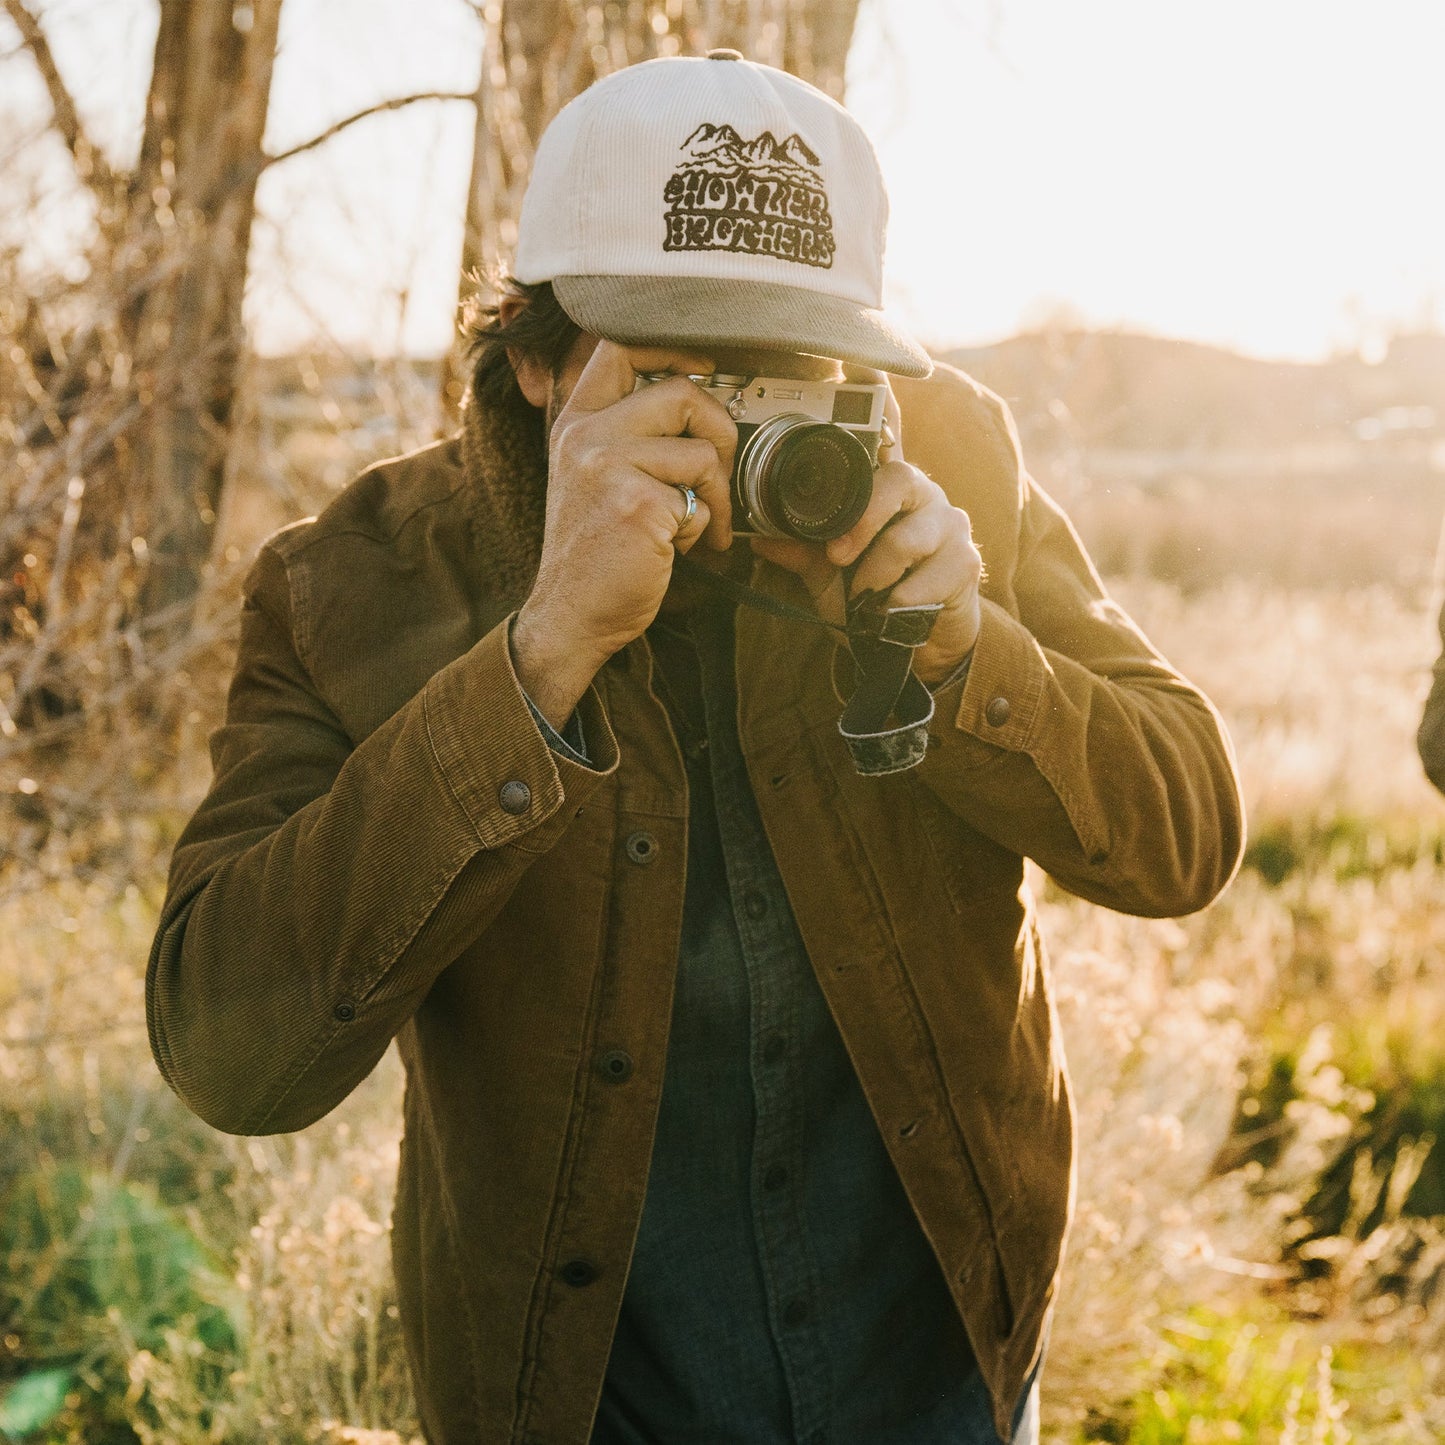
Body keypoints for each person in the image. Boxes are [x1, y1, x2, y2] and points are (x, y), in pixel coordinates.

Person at [147, 51, 1244, 1445]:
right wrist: (539, 656)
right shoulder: (356, 583)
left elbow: (1187, 834)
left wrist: (968, 650)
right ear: (537, 361)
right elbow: (227, 1054)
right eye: (673, 374)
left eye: (782, 374)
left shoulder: (939, 456)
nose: (735, 431)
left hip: (939, 1360)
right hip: (588, 1396)